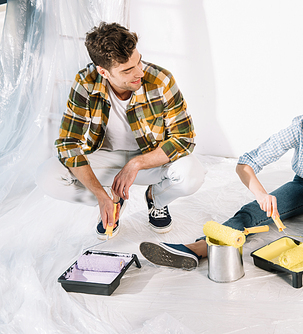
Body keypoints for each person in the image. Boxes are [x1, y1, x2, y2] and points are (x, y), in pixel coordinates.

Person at [140, 87, 303, 299]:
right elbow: (246, 163)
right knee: (252, 212)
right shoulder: (299, 128)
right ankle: (198, 249)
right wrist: (261, 195)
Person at [36, 22, 205, 239]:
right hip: (105, 157)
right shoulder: (85, 82)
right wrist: (99, 194)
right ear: (103, 72)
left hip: (149, 158)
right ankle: (112, 198)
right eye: (127, 70)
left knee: (192, 174)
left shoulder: (161, 80)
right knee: (47, 177)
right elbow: (68, 144)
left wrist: (136, 164)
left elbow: (184, 139)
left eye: (138, 61)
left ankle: (157, 198)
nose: (139, 73)